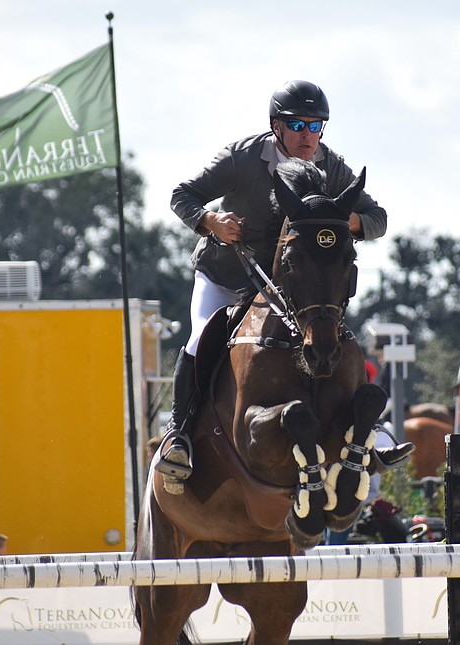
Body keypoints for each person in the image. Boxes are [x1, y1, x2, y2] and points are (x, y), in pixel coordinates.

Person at [158, 79, 411, 490]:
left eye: (316, 126)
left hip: (288, 291)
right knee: (200, 339)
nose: (307, 135)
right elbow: (182, 194)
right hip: (227, 276)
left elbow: (377, 217)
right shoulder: (241, 158)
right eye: (297, 125)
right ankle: (179, 435)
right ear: (276, 126)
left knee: (336, 338)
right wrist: (210, 222)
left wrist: (351, 222)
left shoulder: (331, 167)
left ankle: (370, 430)